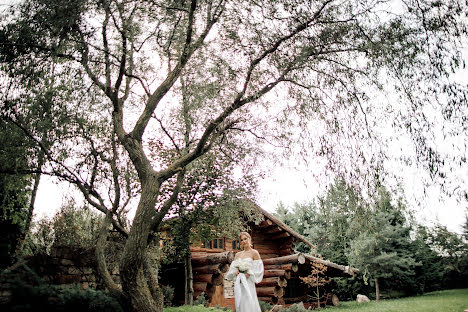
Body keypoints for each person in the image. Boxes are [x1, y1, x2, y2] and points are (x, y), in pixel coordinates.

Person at [225, 232, 264, 312]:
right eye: (241, 240)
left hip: (248, 283)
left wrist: (249, 274)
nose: (243, 241)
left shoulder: (254, 253)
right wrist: (235, 272)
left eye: (245, 239)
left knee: (249, 303)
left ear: (249, 239)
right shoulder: (238, 255)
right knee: (241, 303)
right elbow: (232, 269)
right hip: (239, 283)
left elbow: (259, 270)